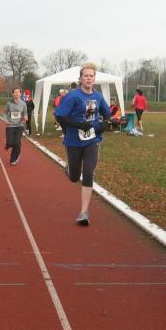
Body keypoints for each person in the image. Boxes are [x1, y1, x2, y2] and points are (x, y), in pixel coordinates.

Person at [54, 63, 111, 226]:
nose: (89, 78)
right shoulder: (73, 96)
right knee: (74, 177)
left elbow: (107, 114)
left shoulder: (98, 97)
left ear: (94, 78)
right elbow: (60, 116)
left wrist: (104, 124)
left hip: (92, 140)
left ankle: (84, 212)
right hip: (73, 140)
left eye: (91, 76)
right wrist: (78, 125)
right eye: (86, 76)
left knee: (88, 173)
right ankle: (69, 169)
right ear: (80, 78)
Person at [3, 87, 28, 164]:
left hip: (19, 126)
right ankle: (8, 144)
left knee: (17, 143)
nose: (16, 94)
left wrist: (25, 117)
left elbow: (25, 113)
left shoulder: (23, 104)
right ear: (13, 94)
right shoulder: (9, 103)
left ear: (20, 94)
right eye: (15, 92)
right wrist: (6, 120)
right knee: (10, 143)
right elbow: (4, 113)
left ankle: (14, 159)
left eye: (18, 92)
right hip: (10, 125)